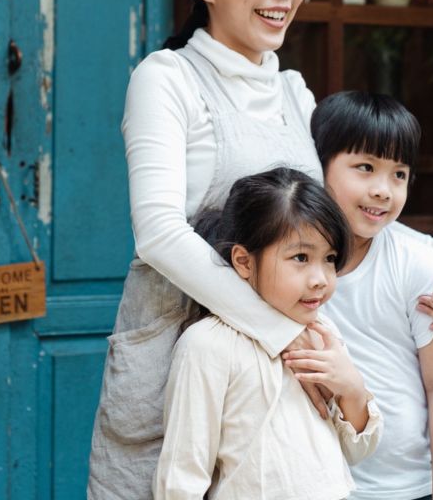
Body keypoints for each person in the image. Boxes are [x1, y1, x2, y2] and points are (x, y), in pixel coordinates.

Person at [87, 0, 433, 500]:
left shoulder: (294, 91)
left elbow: (344, 209)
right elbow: (159, 233)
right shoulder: (166, 79)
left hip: (279, 378)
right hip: (180, 354)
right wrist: (278, 330)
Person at [155, 167, 382, 499]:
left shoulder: (323, 334)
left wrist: (352, 389)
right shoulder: (208, 345)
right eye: (301, 257)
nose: (320, 278)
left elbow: (356, 452)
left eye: (330, 258)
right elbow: (181, 476)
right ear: (244, 262)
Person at [286, 91, 433, 499]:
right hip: (315, 483)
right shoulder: (287, 263)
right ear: (319, 166)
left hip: (403, 487)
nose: (383, 190)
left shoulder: (419, 266)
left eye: (398, 174)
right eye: (365, 167)